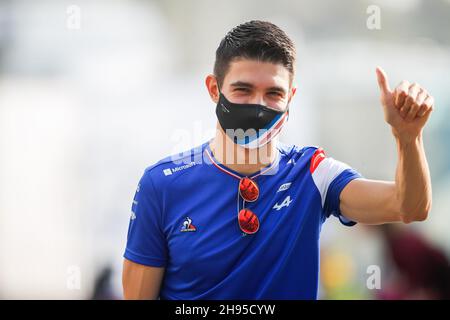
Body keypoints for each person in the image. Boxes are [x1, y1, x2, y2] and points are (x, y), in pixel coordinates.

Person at [122, 20, 434, 299]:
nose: (258, 105)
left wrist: (408, 138)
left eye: (273, 93)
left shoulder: (314, 173)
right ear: (214, 89)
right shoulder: (161, 185)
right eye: (243, 89)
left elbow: (409, 207)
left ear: (290, 100)